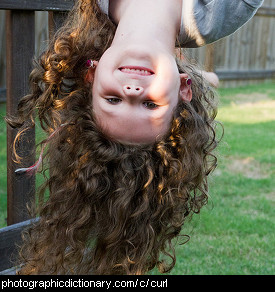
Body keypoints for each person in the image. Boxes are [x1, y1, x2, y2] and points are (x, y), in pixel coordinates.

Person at [7, 0, 262, 275]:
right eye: (150, 105)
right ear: (183, 88)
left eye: (113, 99)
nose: (131, 90)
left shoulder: (92, 7)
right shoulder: (220, 11)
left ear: (91, 75)